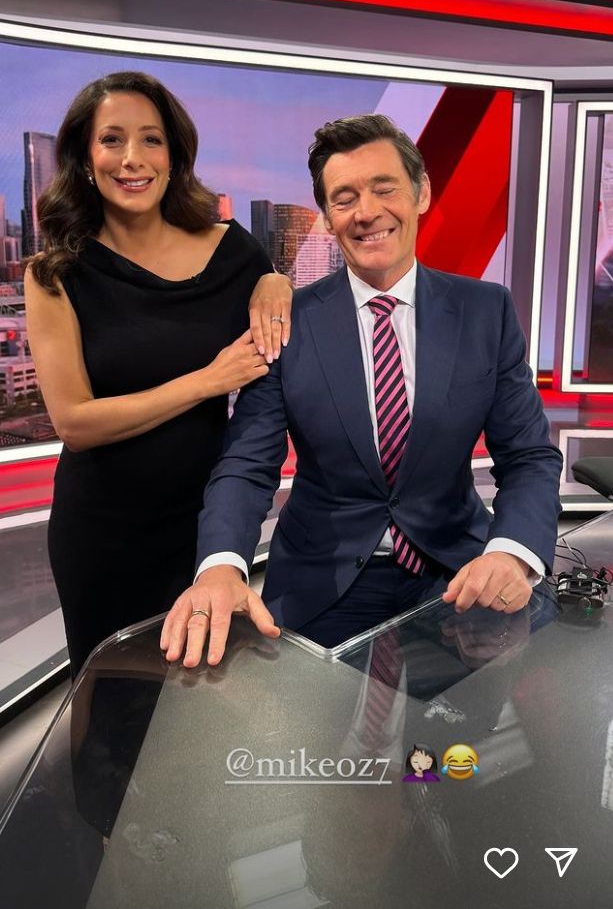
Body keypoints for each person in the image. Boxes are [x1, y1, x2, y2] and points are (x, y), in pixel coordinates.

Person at [161, 113, 562, 668]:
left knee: (457, 726)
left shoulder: (485, 310)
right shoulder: (288, 322)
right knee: (308, 727)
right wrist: (221, 567)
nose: (366, 212)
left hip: (456, 574)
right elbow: (247, 465)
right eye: (344, 198)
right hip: (321, 578)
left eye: (384, 188)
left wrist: (512, 554)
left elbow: (529, 457)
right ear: (327, 219)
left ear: (422, 194)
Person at [25, 70, 292, 676]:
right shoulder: (55, 273)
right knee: (114, 704)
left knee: (204, 694)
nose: (132, 158)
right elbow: (75, 422)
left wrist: (277, 283)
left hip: (205, 525)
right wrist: (207, 381)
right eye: (111, 139)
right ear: (85, 159)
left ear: (174, 157)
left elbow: (277, 304)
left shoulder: (233, 250)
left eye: (151, 139)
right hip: (104, 534)